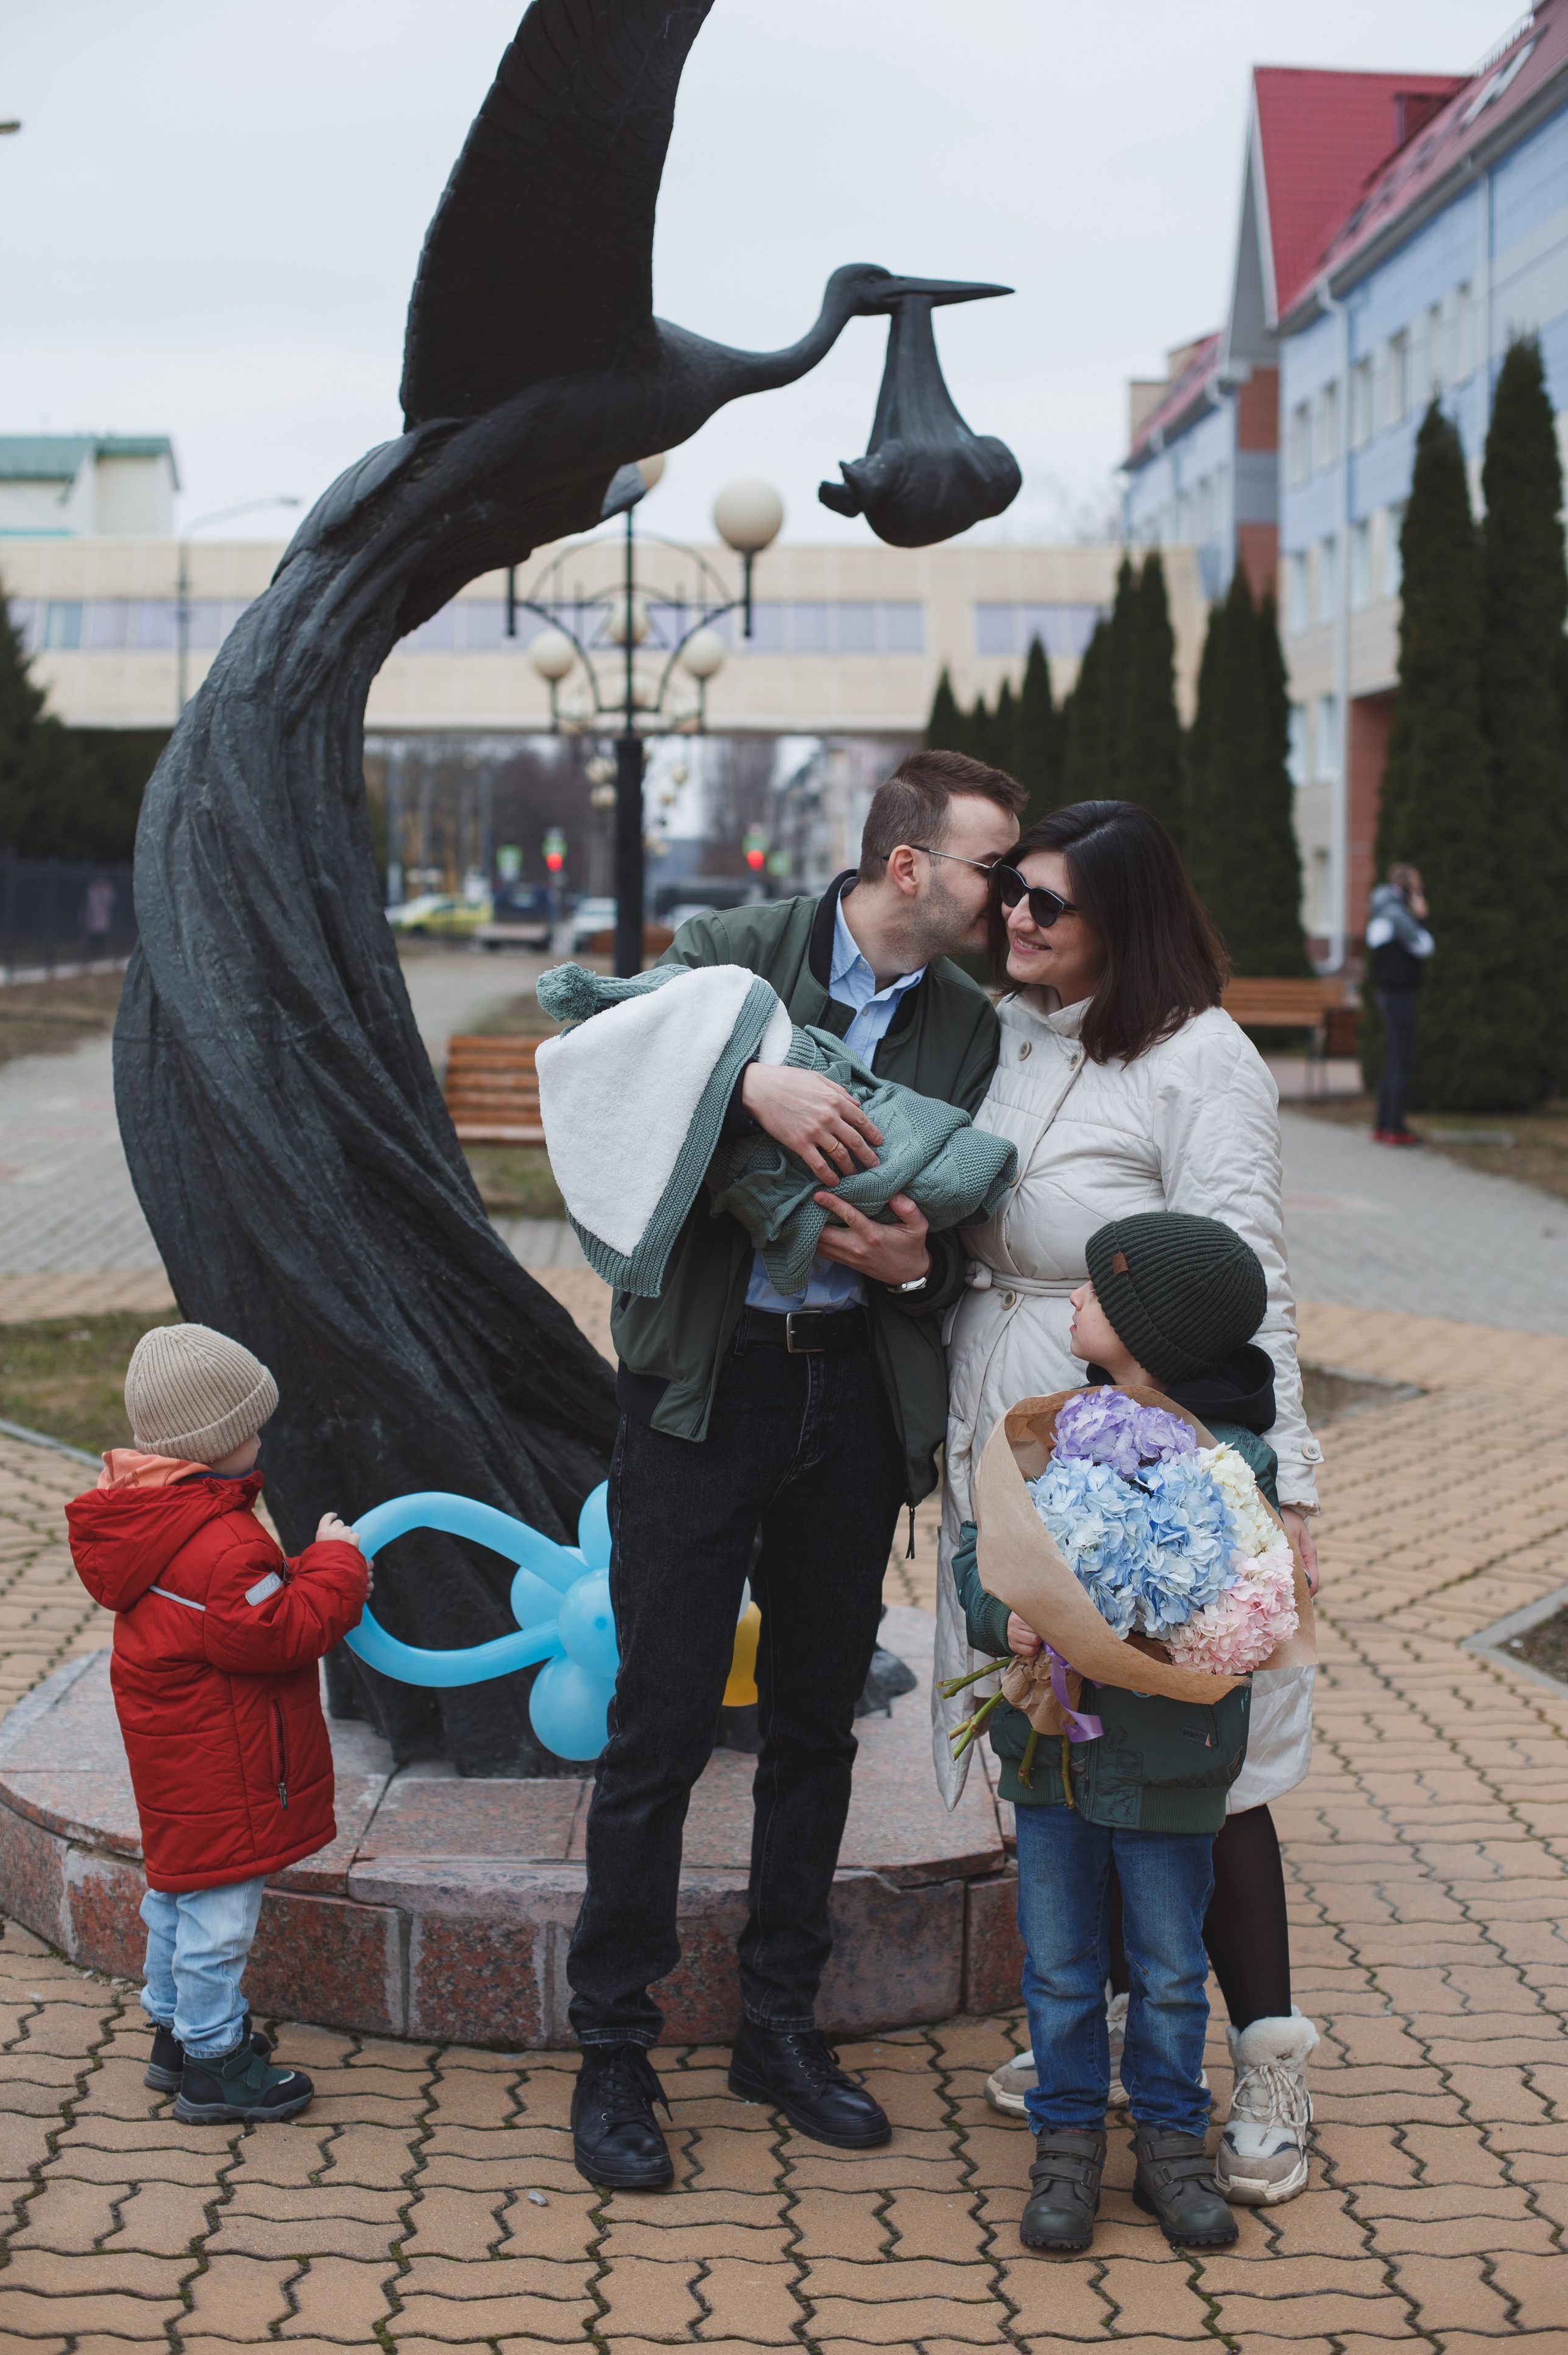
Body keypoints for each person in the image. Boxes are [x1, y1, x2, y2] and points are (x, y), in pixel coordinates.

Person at [567, 747, 1025, 2189]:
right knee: (658, 1722)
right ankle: (613, 2047)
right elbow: (616, 1101)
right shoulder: (729, 953)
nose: (1004, 894)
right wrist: (749, 1086)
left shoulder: (965, 1021)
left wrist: (916, 1259)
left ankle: (777, 2023)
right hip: (706, 1388)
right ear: (907, 868)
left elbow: (957, 1207)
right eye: (986, 867)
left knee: (817, 1723)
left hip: (849, 1397)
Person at [940, 800, 1323, 2207]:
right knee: (1060, 1736)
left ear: (1127, 917)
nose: (1019, 919)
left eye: (1051, 902)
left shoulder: (1196, 1058)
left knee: (1215, 1773)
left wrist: (1275, 1487)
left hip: (1167, 1459)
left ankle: (1265, 2062)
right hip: (1021, 1446)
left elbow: (1245, 1277)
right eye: (1013, 896)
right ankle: (1081, 2058)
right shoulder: (1016, 1031)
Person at [953, 1209, 1283, 2251]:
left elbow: (1243, 1598)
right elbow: (981, 1548)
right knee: (1058, 1968)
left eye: (1096, 1291)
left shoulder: (1232, 1457)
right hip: (1054, 1761)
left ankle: (1174, 2151)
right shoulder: (1048, 1426)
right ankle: (1066, 2151)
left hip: (1172, 1763)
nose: (1073, 1301)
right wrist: (999, 1607)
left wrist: (1160, 1608)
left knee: (1172, 1967)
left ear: (1152, 1329)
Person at [66, 1323, 369, 2126]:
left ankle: (172, 2032)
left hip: (180, 1756)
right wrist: (338, 1562)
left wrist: (288, 1570)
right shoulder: (224, 1541)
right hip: (225, 1764)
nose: (262, 1438)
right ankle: (212, 2064)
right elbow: (280, 1632)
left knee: (175, 1894)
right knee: (220, 1915)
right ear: (217, 1441)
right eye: (252, 1426)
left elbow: (234, 1611)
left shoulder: (153, 1518)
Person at [1365, 862, 1433, 1146]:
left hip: (1387, 993)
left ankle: (1384, 1125)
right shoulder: (1398, 915)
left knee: (1393, 1059)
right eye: (1417, 886)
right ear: (1405, 888)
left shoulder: (1380, 909)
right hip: (1400, 993)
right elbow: (1425, 946)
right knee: (1401, 1059)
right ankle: (1396, 1129)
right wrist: (1423, 917)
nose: (1421, 891)